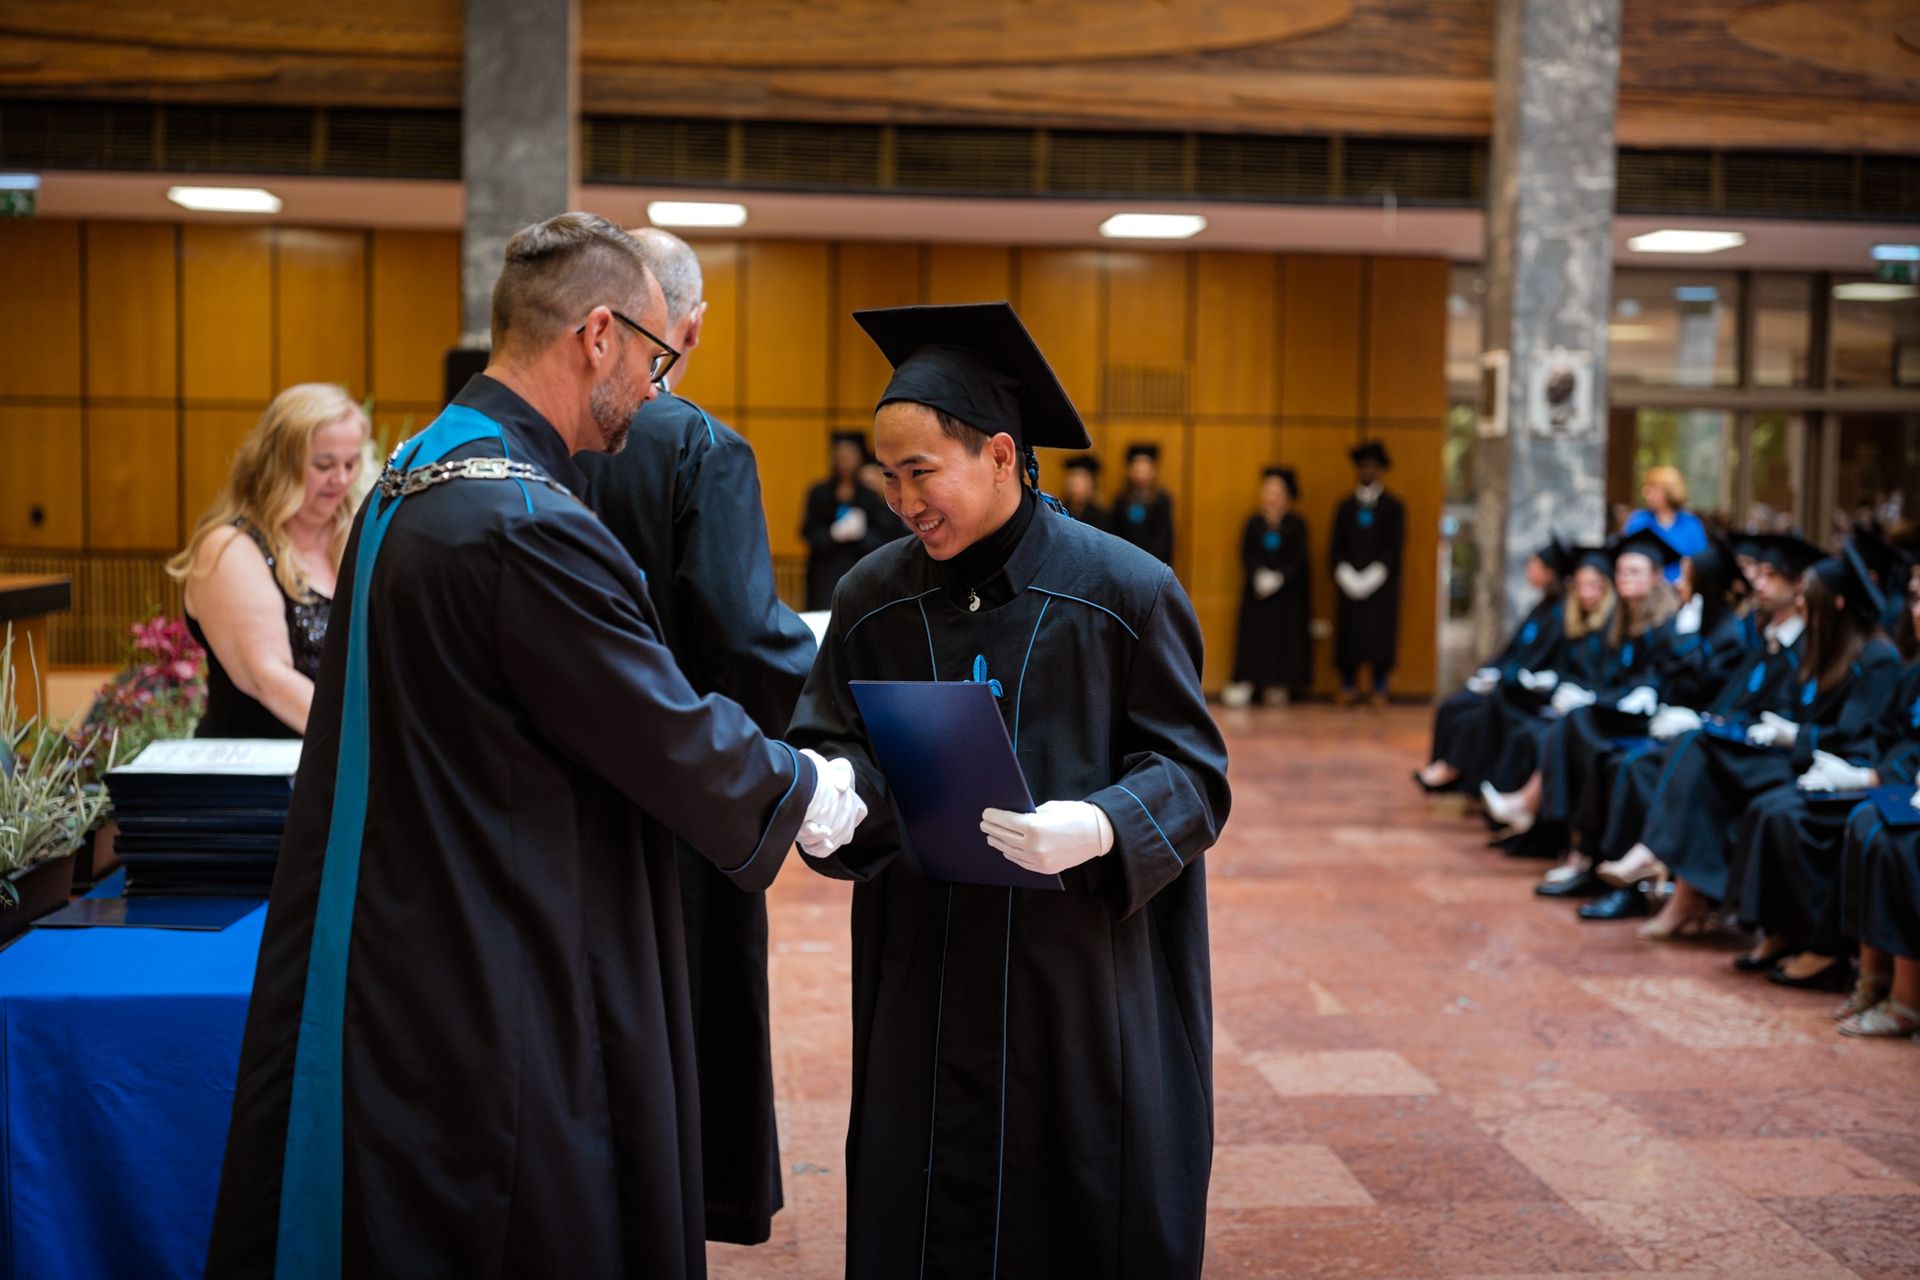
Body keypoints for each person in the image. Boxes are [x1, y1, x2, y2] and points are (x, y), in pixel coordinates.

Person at [206, 213, 868, 1276]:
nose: (655, 387)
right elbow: (660, 724)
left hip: (408, 899)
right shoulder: (522, 521)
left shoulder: (415, 476)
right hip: (497, 933)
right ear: (598, 335)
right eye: (652, 358)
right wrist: (806, 784)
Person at [785, 302, 1230, 1278]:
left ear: (998, 455)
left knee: (1076, 1201)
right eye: (887, 476)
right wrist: (829, 789)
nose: (902, 500)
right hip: (927, 960)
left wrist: (1102, 823)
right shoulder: (872, 597)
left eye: (920, 472)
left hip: (1076, 972)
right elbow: (831, 733)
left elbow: (1195, 773)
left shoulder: (1125, 592)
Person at [574, 226, 816, 1246]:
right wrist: (832, 712)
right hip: (678, 799)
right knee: (680, 1019)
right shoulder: (698, 446)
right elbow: (746, 639)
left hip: (554, 797)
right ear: (691, 327)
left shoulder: (531, 443)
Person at [1599, 544, 1899, 941]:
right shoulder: (1821, 645)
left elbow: (1854, 734)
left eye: (1809, 600)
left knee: (1702, 751)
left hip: (1828, 764)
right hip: (1795, 752)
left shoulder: (1873, 655)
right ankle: (1679, 892)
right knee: (1672, 758)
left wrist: (1794, 735)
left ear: (1836, 603)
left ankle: (1662, 862)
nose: (1803, 607)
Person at [1576, 532, 1818, 921]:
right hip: (1727, 741)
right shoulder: (1765, 639)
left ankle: (1654, 862)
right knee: (1632, 763)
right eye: (1759, 574)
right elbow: (1728, 696)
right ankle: (1611, 873)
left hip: (1766, 754)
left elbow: (1767, 705)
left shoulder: (1784, 642)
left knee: (1677, 750)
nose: (1759, 582)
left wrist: (1707, 718)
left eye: (1771, 575)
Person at [1730, 576, 1920, 992]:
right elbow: (1887, 733)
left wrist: (1871, 775)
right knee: (1770, 807)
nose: (1915, 611)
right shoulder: (1912, 670)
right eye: (1914, 598)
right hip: (1875, 772)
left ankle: (1828, 948)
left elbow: (1867, 734)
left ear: (1835, 604)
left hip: (1883, 778)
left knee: (1822, 819)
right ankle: (1785, 932)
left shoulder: (1879, 656)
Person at [165, 383, 368, 737]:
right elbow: (268, 679)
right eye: (324, 464)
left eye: (351, 464)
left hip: (332, 755)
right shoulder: (229, 548)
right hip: (258, 765)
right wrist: (365, 744)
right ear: (280, 464)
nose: (341, 479)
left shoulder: (351, 533)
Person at [1415, 534, 1574, 792]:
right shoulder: (1539, 608)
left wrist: (1505, 676)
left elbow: (1538, 660)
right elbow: (1511, 649)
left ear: (1550, 572)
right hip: (1510, 679)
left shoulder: (1559, 614)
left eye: (1534, 565)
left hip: (1526, 691)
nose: (1528, 570)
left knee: (1481, 711)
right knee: (1450, 706)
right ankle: (1445, 768)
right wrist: (1491, 671)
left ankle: (1456, 772)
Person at [1223, 466, 1310, 707]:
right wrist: (1259, 574)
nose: (1271, 497)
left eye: (1276, 492)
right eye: (1267, 491)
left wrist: (1280, 576)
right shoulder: (1254, 522)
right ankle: (1248, 681)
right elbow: (1246, 553)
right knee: (1254, 635)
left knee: (1283, 637)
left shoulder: (1296, 524)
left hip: (1286, 594)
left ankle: (1278, 683)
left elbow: (1299, 557)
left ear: (1287, 496)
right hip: (1257, 591)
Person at [1331, 440, 1405, 707]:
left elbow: (1394, 549)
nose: (1367, 471)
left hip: (1380, 586)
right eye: (1363, 466)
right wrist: (1348, 576)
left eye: (1372, 466)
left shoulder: (1393, 507)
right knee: (1349, 634)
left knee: (1379, 635)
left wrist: (1372, 576)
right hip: (1348, 583)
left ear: (1381, 469)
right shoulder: (1345, 507)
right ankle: (1347, 684)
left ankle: (1379, 686)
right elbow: (1336, 548)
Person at [802, 430, 896, 610]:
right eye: (840, 455)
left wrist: (862, 534)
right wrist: (832, 533)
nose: (844, 460)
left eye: (850, 454)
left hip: (860, 566)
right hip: (825, 570)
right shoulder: (819, 492)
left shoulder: (869, 495)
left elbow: (884, 537)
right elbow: (807, 531)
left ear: (859, 457)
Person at [1621, 464, 1708, 582]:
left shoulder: (1691, 525)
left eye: (1652, 488)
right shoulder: (1639, 520)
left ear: (1668, 491)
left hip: (1681, 588)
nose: (1646, 493)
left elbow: (1701, 563)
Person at [1113, 442, 1174, 565]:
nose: (1141, 475)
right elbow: (1115, 535)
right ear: (1130, 471)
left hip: (1155, 563)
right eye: (1137, 469)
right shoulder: (1121, 500)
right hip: (1125, 562)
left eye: (1145, 470)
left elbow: (1164, 539)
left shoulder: (1162, 500)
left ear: (1153, 471)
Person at [1060, 453, 1109, 531]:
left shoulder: (1101, 517)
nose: (1075, 489)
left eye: (1081, 481)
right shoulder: (1059, 512)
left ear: (1092, 484)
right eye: (1073, 481)